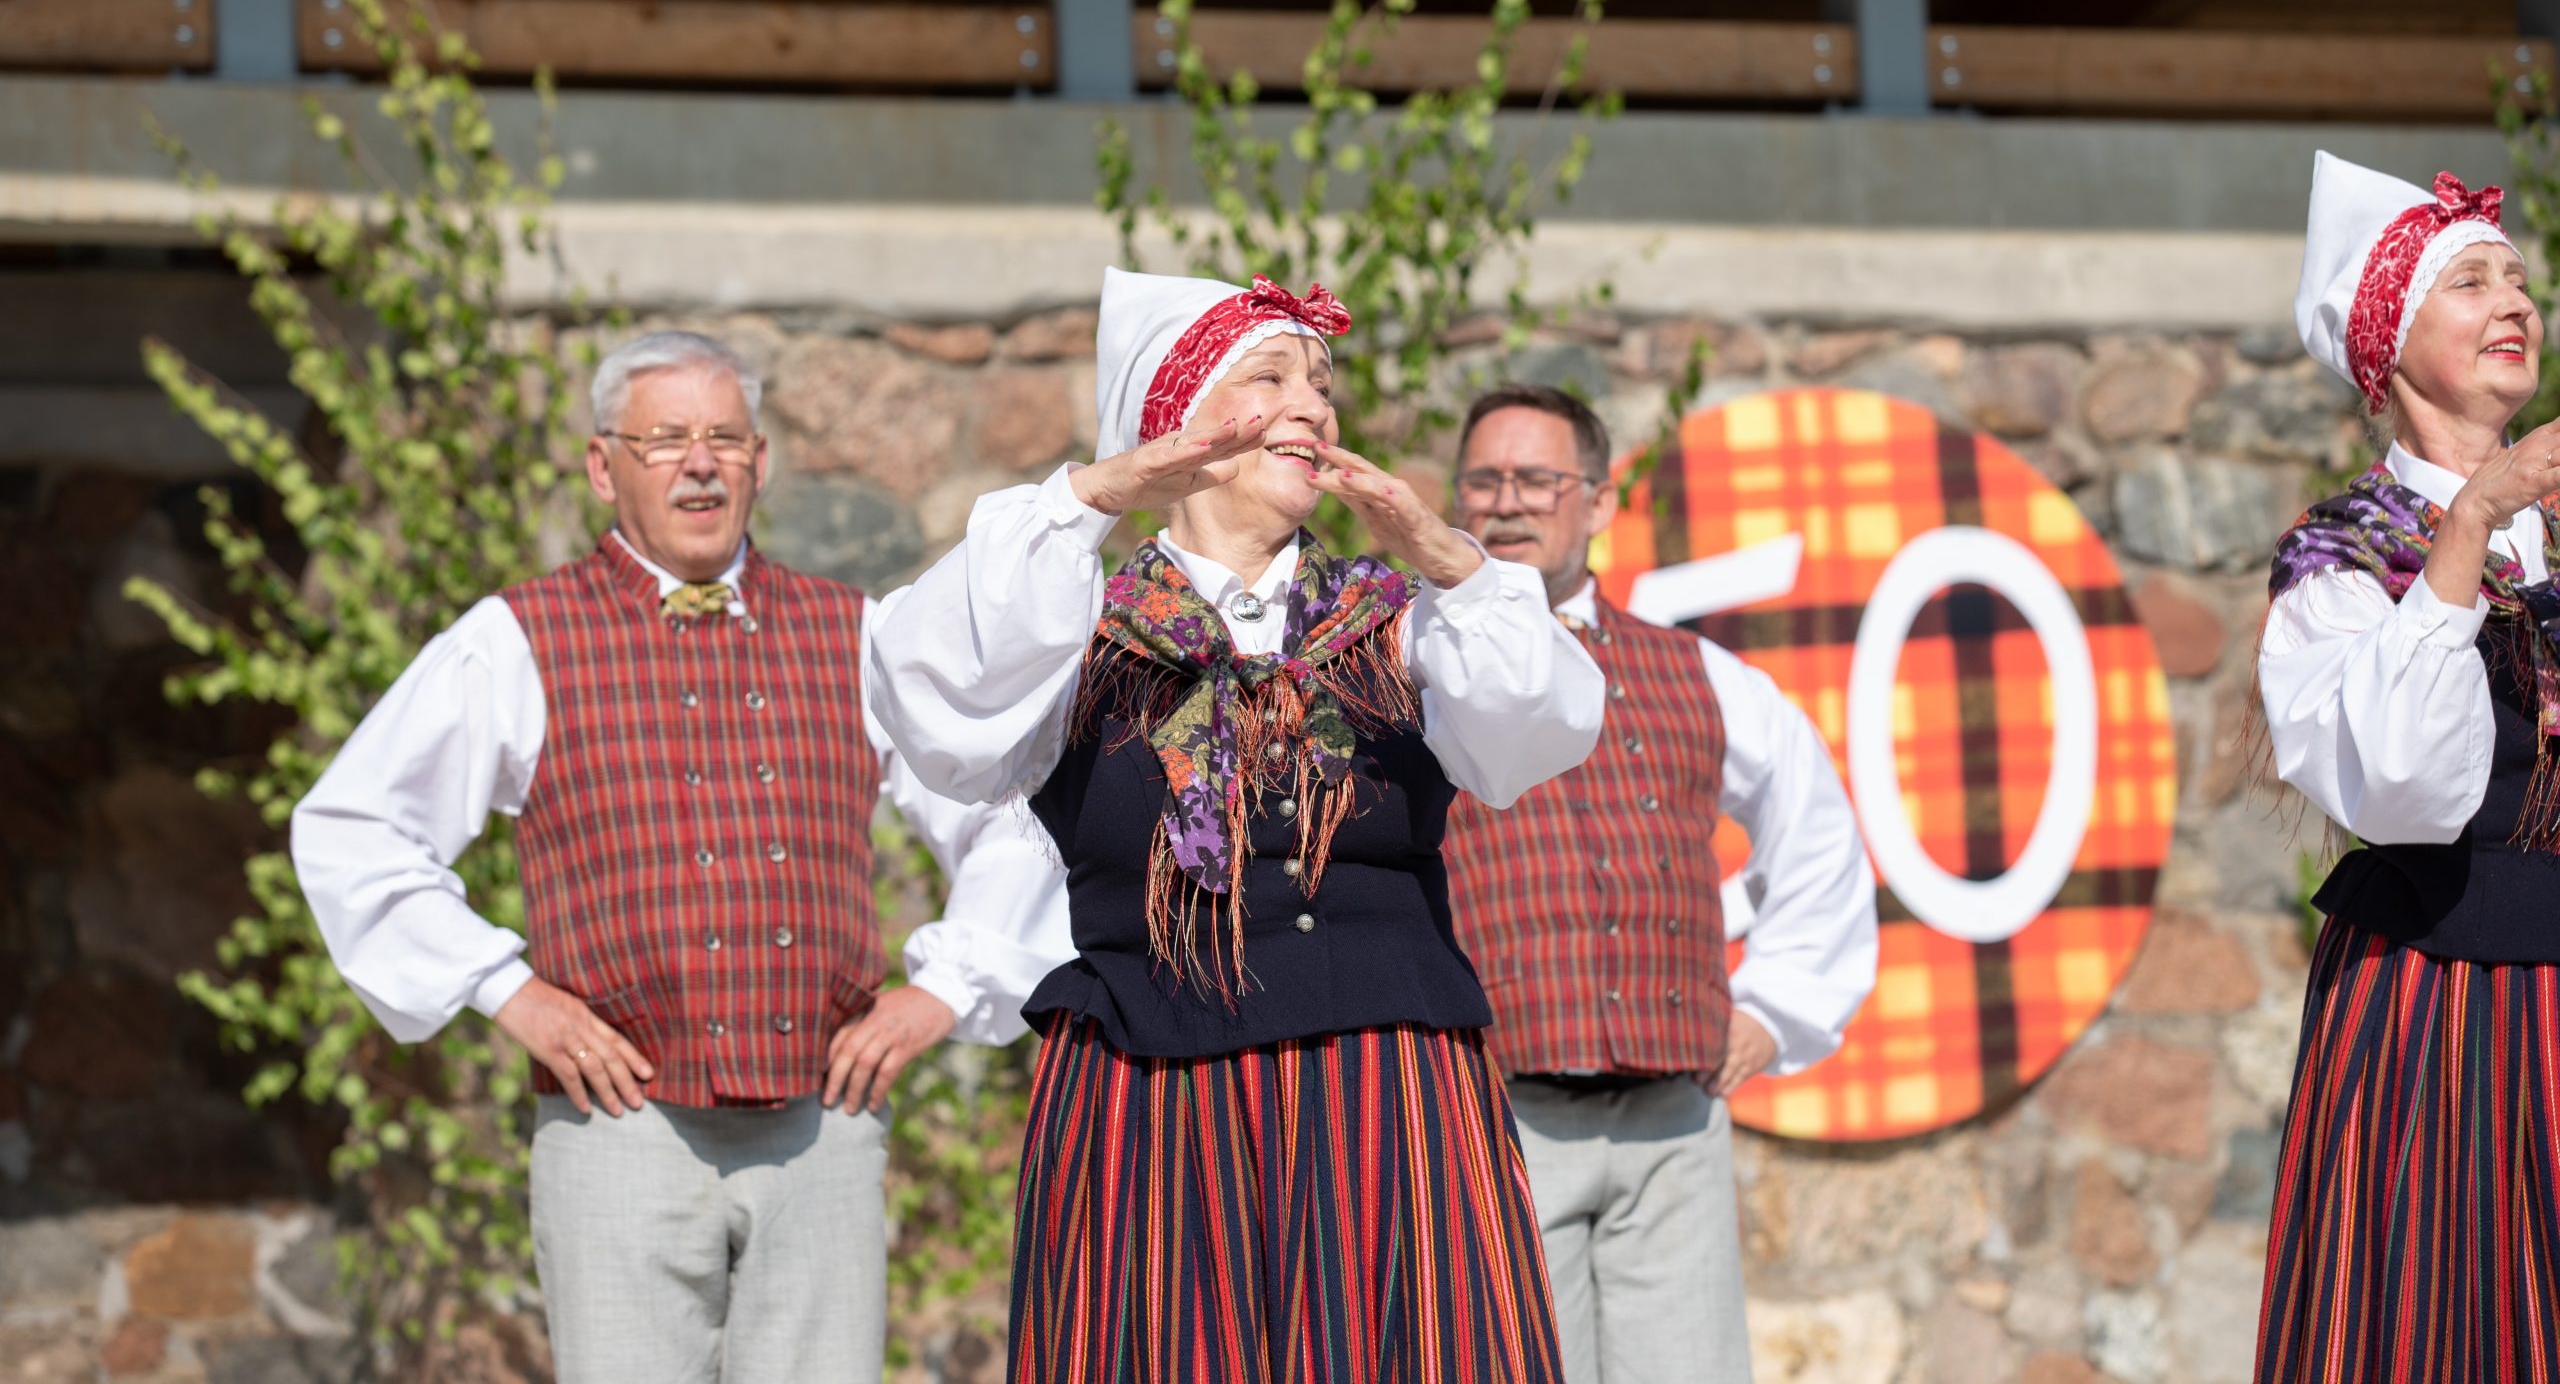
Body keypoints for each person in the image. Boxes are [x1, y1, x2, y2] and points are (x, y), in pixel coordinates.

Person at [865, 267, 1606, 1383]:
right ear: (1174, 424)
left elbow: (1542, 725)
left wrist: (1450, 557)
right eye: (1271, 378)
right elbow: (930, 687)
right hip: (1151, 1101)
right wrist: (1096, 492)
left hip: (1385, 1098)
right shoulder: (1075, 629)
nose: (1313, 406)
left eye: (1323, 384)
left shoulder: (1399, 622)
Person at [291, 330, 1071, 1384]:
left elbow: (1009, 810)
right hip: (619, 1129)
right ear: (601, 465)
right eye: (663, 440)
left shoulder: (857, 635)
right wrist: (509, 991)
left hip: (823, 1128)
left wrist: (943, 989)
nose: (699, 464)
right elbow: (357, 824)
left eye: (724, 438)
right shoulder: (517, 638)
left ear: (760, 460)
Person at [1439, 384, 1877, 1384]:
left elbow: (1816, 825)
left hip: (1673, 1119)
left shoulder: (1697, 673)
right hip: (1500, 1116)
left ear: (1597, 502)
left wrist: (1774, 1007)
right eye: (1484, 480)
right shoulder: (1415, 665)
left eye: (1537, 479)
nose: (1507, 502)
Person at [2255, 155, 2560, 1379]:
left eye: (2517, 279)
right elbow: (2398, 787)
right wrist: (2470, 524)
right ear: (2388, 346)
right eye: (2470, 282)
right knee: (2446, 1327)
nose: (2514, 300)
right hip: (2446, 1009)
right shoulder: (2340, 557)